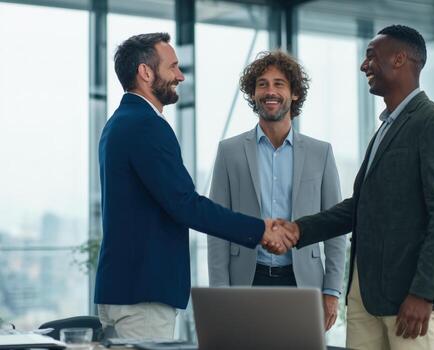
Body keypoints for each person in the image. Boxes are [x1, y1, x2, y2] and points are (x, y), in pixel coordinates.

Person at [274, 25, 434, 349]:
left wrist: (423, 293)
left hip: (410, 299)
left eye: (371, 57)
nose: (364, 66)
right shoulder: (384, 131)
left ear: (400, 59)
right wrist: (298, 230)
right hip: (364, 297)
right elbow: (359, 207)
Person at [95, 33, 296, 339]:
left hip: (123, 289)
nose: (180, 75)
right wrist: (260, 229)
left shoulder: (119, 122)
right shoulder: (146, 125)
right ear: (146, 72)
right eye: (173, 66)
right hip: (144, 296)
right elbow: (185, 205)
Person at [206, 50, 347, 331]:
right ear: (253, 94)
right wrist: (220, 291)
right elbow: (216, 226)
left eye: (279, 83)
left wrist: (331, 291)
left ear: (294, 93)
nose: (270, 91)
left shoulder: (321, 153)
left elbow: (335, 228)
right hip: (246, 279)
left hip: (304, 282)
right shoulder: (229, 151)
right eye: (262, 84)